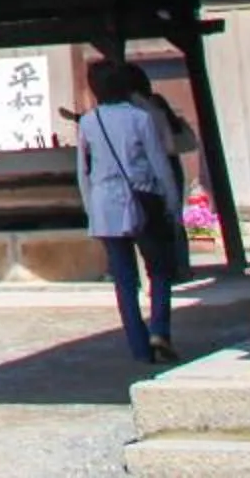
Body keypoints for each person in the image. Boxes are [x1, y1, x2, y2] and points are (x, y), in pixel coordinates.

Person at [79, 59, 184, 363]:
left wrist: (90, 209)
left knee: (124, 278)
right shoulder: (140, 118)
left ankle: (139, 347)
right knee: (160, 269)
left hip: (105, 203)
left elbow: (83, 172)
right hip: (144, 197)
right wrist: (172, 200)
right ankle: (160, 330)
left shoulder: (89, 122)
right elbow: (158, 162)